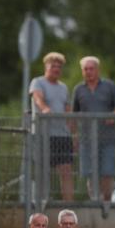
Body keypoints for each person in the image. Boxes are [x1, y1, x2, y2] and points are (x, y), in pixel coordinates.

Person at [71, 56, 115, 201]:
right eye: (85, 69)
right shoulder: (78, 89)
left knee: (107, 172)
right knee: (90, 173)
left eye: (91, 69)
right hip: (86, 139)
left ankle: (106, 202)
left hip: (107, 139)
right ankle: (95, 202)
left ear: (97, 70)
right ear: (82, 71)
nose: (89, 72)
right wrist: (74, 136)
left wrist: (112, 115)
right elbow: (73, 115)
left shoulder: (109, 86)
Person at [31, 52, 74, 201]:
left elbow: (68, 110)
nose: (56, 69)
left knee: (66, 170)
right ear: (46, 66)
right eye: (53, 66)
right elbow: (37, 98)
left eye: (59, 66)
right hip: (43, 134)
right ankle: (42, 202)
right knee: (43, 171)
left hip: (62, 135)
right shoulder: (37, 82)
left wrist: (73, 133)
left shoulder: (63, 87)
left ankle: (69, 205)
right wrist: (45, 109)